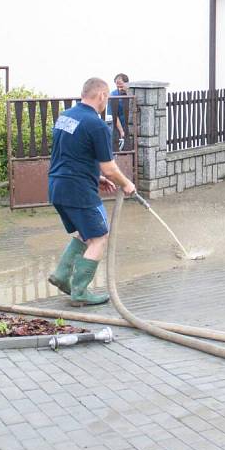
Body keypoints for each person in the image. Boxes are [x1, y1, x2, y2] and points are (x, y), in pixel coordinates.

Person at [48, 77, 136, 306]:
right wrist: (126, 183)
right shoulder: (96, 125)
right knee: (99, 238)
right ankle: (80, 292)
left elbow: (69, 155)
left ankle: (60, 275)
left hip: (57, 187)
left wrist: (95, 177)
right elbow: (109, 167)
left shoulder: (65, 117)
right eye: (106, 97)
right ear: (101, 96)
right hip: (78, 190)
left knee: (85, 233)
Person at [107, 73, 129, 150]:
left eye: (121, 85)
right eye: (117, 85)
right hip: (116, 127)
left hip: (129, 126)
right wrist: (121, 131)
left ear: (127, 84)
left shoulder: (130, 93)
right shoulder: (113, 95)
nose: (119, 87)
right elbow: (114, 115)